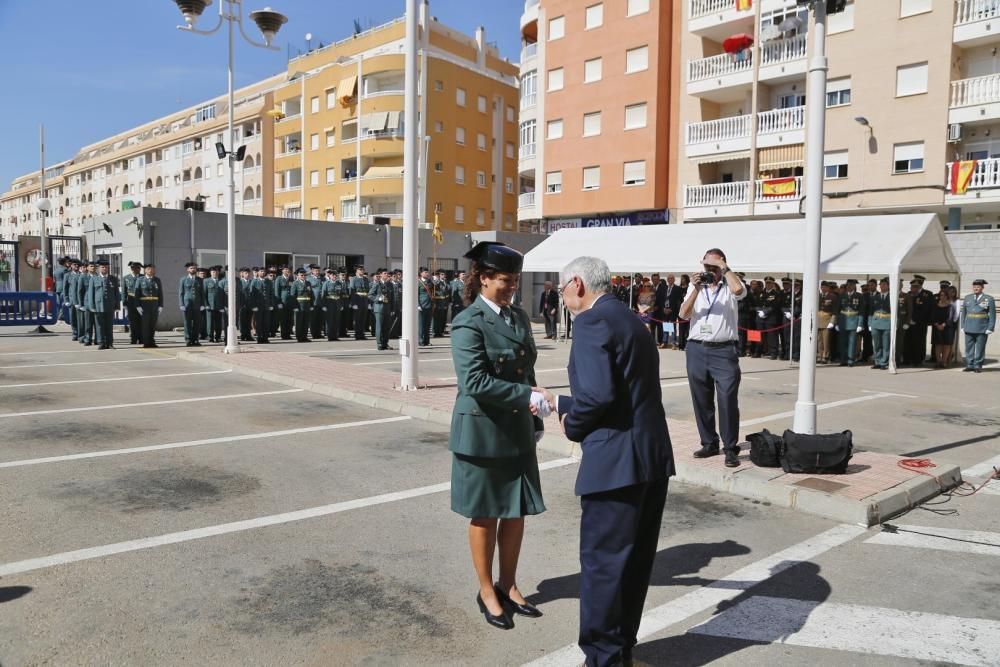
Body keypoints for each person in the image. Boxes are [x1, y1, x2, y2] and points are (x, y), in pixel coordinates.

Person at [541, 255, 673, 667]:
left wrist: (570, 420)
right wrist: (559, 399)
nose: (562, 298)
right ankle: (620, 650)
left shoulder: (590, 322)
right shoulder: (630, 318)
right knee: (632, 565)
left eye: (562, 289)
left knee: (602, 568)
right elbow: (624, 388)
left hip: (615, 464)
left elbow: (598, 396)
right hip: (650, 458)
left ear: (576, 284)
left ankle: (603, 658)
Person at [449, 241, 546, 632]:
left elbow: (524, 369)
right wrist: (528, 397)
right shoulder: (468, 322)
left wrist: (535, 411)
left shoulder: (517, 317)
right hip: (483, 431)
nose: (512, 287)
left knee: (516, 510)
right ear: (484, 278)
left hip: (517, 427)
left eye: (515, 281)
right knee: (486, 513)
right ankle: (486, 589)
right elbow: (473, 381)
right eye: (506, 280)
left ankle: (509, 583)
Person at [678, 248, 746, 467]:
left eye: (713, 267)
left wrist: (724, 268)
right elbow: (683, 314)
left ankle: (730, 447)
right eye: (706, 266)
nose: (709, 271)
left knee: (727, 399)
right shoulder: (695, 286)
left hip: (724, 351)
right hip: (697, 348)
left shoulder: (731, 284)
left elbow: (738, 290)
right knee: (701, 399)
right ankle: (709, 442)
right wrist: (697, 288)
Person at [961, 278, 995, 373]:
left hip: (982, 327)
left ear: (982, 287)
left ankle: (978, 365)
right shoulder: (968, 298)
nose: (976, 288)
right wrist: (962, 326)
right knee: (969, 347)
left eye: (978, 286)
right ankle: (969, 365)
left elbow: (992, 314)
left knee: (980, 348)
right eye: (974, 286)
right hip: (969, 326)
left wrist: (990, 327)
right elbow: (963, 313)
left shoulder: (989, 299)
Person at [90, 259, 120, 350]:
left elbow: (116, 293)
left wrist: (117, 306)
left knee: (109, 325)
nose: (104, 269)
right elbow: (91, 294)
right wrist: (92, 306)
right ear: (99, 268)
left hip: (110, 306)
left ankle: (110, 343)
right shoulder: (94, 279)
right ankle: (101, 342)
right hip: (98, 306)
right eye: (102, 267)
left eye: (106, 267)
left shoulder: (113, 279)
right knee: (99, 325)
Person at [837, 279, 865, 367]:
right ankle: (843, 360)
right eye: (848, 285)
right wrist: (837, 323)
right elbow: (837, 310)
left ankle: (850, 360)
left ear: (854, 286)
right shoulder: (841, 296)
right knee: (842, 342)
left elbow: (861, 311)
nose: (849, 287)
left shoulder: (859, 296)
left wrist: (860, 324)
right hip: (843, 321)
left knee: (852, 342)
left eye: (851, 285)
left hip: (854, 320)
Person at [135, 263, 163, 348]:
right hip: (144, 305)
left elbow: (160, 293)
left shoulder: (157, 280)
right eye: (149, 269)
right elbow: (137, 294)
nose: (151, 271)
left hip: (154, 305)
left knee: (152, 324)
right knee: (145, 325)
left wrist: (161, 305)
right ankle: (146, 342)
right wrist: (138, 306)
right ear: (145, 270)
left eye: (152, 269)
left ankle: (152, 341)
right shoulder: (140, 280)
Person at [178, 262, 204, 347]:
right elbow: (181, 293)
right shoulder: (183, 279)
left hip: (197, 304)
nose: (193, 269)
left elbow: (202, 293)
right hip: (187, 304)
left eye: (194, 268)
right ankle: (188, 340)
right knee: (187, 322)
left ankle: (196, 339)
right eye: (191, 268)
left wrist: (202, 304)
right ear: (188, 270)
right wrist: (181, 304)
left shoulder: (200, 280)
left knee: (197, 323)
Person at [868, 278, 892, 370]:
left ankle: (884, 362)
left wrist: (895, 324)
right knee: (877, 344)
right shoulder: (875, 297)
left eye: (884, 284)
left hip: (887, 322)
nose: (882, 286)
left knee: (886, 344)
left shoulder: (892, 297)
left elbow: (896, 312)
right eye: (881, 285)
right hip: (876, 322)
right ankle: (877, 361)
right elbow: (870, 311)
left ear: (888, 286)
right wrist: (870, 323)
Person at [369, 268, 392, 350]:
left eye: (387, 273)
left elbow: (391, 298)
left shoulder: (389, 284)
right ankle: (379, 344)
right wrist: (378, 298)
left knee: (387, 327)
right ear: (381, 275)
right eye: (385, 273)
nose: (386, 275)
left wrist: (392, 309)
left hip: (387, 308)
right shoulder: (377, 284)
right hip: (379, 308)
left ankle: (385, 343)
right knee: (379, 327)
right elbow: (370, 295)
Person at [817, 281, 839, 364]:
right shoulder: (818, 296)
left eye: (825, 287)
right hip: (819, 318)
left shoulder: (832, 296)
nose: (823, 288)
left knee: (826, 339)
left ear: (828, 288)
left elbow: (835, 310)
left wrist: (832, 321)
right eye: (822, 287)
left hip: (827, 319)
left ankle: (825, 356)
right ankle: (819, 355)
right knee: (819, 340)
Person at [319, 268, 344, 342]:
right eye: (333, 275)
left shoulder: (339, 283)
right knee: (330, 321)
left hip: (337, 304)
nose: (334, 277)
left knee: (336, 321)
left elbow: (341, 295)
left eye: (335, 275)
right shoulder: (326, 283)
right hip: (329, 304)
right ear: (330, 276)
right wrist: (323, 305)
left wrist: (341, 304)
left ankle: (335, 336)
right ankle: (330, 336)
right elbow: (323, 295)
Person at [290, 268, 314, 343]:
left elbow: (311, 295)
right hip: (299, 305)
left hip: (307, 305)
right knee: (299, 322)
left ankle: (304, 336)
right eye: (301, 275)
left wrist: (311, 305)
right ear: (298, 276)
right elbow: (293, 296)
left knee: (306, 322)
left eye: (304, 275)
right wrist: (294, 307)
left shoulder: (308, 283)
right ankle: (299, 337)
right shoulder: (295, 283)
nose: (303, 276)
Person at [203, 266, 225, 343]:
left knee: (219, 323)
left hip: (219, 306)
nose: (214, 273)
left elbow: (223, 294)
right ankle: (210, 336)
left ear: (218, 272)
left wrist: (223, 306)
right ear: (210, 273)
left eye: (216, 272)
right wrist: (206, 304)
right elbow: (204, 294)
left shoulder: (222, 281)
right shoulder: (206, 281)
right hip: (210, 305)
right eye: (213, 272)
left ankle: (218, 337)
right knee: (210, 322)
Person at [77, 261, 96, 346]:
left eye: (94, 266)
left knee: (97, 323)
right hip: (87, 303)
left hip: (96, 303)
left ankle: (97, 339)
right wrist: (81, 304)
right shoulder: (83, 277)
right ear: (87, 268)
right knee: (88, 323)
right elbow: (80, 291)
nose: (93, 268)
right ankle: (88, 339)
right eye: (91, 266)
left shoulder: (98, 276)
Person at [349, 265, 369, 341]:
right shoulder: (354, 279)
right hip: (357, 301)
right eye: (360, 269)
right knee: (357, 319)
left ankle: (362, 334)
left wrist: (369, 302)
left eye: (363, 269)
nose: (362, 271)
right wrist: (353, 303)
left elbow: (368, 291)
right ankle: (357, 334)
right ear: (356, 271)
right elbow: (352, 292)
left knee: (363, 319)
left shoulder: (366, 279)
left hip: (364, 301)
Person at [275, 266, 294, 340]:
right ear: (282, 271)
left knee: (289, 319)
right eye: (285, 269)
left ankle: (288, 334)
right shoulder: (279, 278)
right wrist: (278, 302)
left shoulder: (291, 278)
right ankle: (284, 335)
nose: (287, 271)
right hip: (282, 301)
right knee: (283, 319)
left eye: (288, 269)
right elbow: (277, 291)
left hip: (290, 301)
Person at [417, 266, 433, 346]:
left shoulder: (430, 282)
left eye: (427, 272)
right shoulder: (418, 282)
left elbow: (434, 291)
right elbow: (416, 294)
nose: (427, 273)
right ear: (421, 273)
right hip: (422, 306)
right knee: (421, 325)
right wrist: (418, 305)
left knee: (427, 325)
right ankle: (420, 340)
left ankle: (427, 341)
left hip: (429, 306)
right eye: (425, 272)